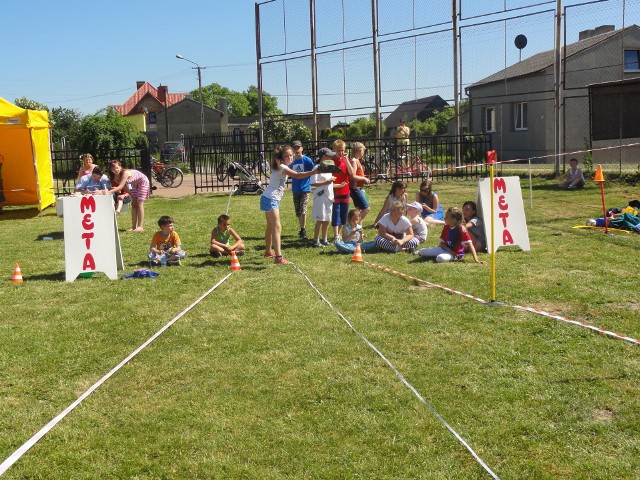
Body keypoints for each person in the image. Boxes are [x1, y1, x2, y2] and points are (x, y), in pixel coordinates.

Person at [261, 145, 316, 264]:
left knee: (270, 227)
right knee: (276, 227)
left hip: (267, 197)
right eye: (287, 155)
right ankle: (278, 258)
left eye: (291, 155)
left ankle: (268, 251)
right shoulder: (282, 167)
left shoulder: (280, 166)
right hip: (271, 199)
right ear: (281, 157)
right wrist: (314, 172)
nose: (290, 157)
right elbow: (296, 175)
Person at [416, 207, 484, 263]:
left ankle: (440, 255)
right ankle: (431, 253)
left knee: (440, 258)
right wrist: (449, 250)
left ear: (454, 219)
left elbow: (470, 245)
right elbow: (441, 244)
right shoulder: (446, 227)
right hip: (446, 250)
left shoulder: (462, 229)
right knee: (422, 252)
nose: (445, 218)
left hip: (455, 254)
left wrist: (476, 260)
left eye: (447, 217)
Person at [107, 159, 150, 232]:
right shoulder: (115, 177)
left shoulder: (125, 173)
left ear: (120, 167)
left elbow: (120, 187)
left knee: (139, 203)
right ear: (111, 170)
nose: (116, 170)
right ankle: (133, 227)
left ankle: (140, 226)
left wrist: (107, 192)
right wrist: (132, 195)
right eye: (113, 169)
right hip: (135, 184)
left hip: (143, 182)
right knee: (134, 204)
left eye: (117, 167)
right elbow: (124, 187)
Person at [310, 148, 337, 248]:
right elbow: (312, 183)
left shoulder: (329, 168)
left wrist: (338, 185)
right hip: (320, 196)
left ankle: (324, 239)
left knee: (327, 219)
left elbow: (330, 183)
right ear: (323, 157)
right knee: (320, 219)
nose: (331, 157)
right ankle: (316, 240)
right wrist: (326, 182)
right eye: (329, 156)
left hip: (329, 196)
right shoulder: (316, 168)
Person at [331, 139, 356, 239]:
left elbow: (352, 173)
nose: (340, 153)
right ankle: (336, 234)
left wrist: (346, 160)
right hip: (335, 191)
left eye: (342, 150)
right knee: (336, 213)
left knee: (344, 215)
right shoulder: (331, 161)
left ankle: (340, 233)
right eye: (338, 150)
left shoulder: (345, 160)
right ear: (333, 150)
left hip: (345, 191)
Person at [290, 140, 315, 239]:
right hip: (295, 189)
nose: (297, 150)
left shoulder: (307, 160)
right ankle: (301, 229)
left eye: (298, 147)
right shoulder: (291, 161)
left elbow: (313, 171)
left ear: (302, 148)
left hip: (305, 188)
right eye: (295, 148)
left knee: (303, 209)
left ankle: (303, 229)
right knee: (298, 211)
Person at [348, 142, 371, 223]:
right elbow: (353, 176)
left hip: (358, 188)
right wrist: (363, 178)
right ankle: (352, 225)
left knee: (358, 210)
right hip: (356, 189)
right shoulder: (354, 161)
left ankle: (358, 231)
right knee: (366, 209)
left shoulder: (357, 160)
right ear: (360, 151)